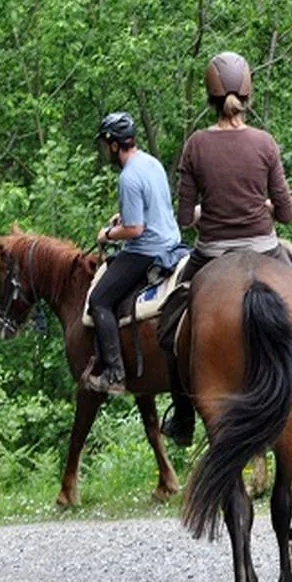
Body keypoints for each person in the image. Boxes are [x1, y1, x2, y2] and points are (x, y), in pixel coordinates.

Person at [157, 51, 292, 446]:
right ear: (249, 96)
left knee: (172, 318)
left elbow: (186, 217)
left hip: (211, 254)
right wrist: (266, 206)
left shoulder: (195, 145)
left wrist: (210, 209)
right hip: (265, 248)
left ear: (209, 98)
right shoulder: (265, 142)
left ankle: (184, 416)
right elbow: (287, 214)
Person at [79, 112, 183, 394]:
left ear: (114, 145)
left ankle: (114, 374)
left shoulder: (128, 177)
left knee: (100, 300)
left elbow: (135, 230)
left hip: (147, 250)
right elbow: (154, 205)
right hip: (172, 241)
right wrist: (121, 217)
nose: (105, 150)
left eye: (105, 144)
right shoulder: (151, 163)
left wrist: (108, 234)